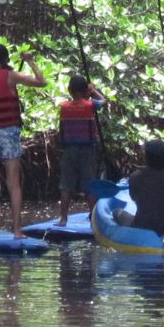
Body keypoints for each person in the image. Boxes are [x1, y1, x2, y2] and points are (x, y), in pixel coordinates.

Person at [0, 43, 47, 239]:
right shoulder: (11, 76)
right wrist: (30, 61)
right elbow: (42, 82)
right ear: (6, 60)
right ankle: (16, 231)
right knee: (14, 183)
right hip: (9, 132)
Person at [56, 74, 107, 226]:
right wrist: (93, 91)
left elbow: (61, 132)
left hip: (69, 150)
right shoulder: (90, 105)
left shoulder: (64, 107)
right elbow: (104, 101)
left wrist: (87, 92)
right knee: (89, 185)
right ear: (85, 90)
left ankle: (63, 219)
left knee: (66, 186)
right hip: (87, 150)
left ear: (70, 91)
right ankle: (93, 219)